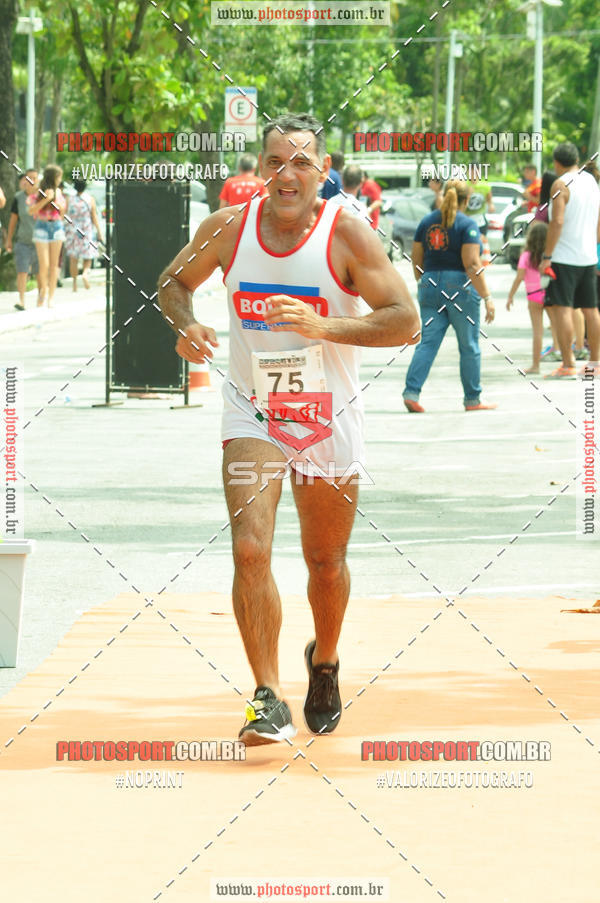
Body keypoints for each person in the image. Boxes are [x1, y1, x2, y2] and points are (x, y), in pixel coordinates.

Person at [158, 112, 420, 746]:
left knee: (324, 562)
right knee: (251, 546)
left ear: (322, 172)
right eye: (275, 161)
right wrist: (186, 327)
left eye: (301, 162)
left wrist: (325, 326)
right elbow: (172, 282)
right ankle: (268, 696)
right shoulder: (227, 229)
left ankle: (324, 661)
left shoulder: (349, 235)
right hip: (254, 410)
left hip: (328, 415)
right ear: (260, 169)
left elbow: (405, 321)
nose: (287, 174)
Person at [402, 179, 496, 413]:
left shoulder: (426, 221)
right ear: (466, 200)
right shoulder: (468, 225)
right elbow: (472, 264)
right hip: (459, 287)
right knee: (469, 345)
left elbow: (416, 258)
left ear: (444, 194)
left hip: (430, 284)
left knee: (428, 343)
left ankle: (411, 393)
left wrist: (423, 281)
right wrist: (487, 297)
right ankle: (472, 399)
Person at [542, 142, 600, 378]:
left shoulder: (561, 183)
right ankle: (595, 363)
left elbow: (556, 222)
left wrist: (547, 256)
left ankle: (568, 364)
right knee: (591, 310)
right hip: (588, 256)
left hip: (564, 256)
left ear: (557, 163)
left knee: (562, 309)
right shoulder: (591, 181)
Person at [507, 221, 550, 374]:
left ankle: (536, 366)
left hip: (533, 295)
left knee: (538, 332)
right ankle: (564, 357)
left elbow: (519, 278)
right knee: (557, 329)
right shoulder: (549, 255)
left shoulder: (526, 256)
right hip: (550, 293)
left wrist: (510, 296)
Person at [27, 164, 66, 307]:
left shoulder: (58, 192)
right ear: (54, 177)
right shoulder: (38, 191)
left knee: (54, 265)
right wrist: (46, 199)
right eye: (59, 177)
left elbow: (62, 212)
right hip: (41, 226)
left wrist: (55, 200)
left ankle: (51, 297)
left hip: (56, 226)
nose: (59, 180)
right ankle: (43, 291)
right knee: (44, 264)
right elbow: (31, 211)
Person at [6, 170, 41, 310]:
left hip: (41, 241)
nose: (32, 180)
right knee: (22, 271)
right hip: (23, 240)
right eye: (29, 178)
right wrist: (9, 239)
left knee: (40, 272)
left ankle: (41, 299)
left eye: (34, 178)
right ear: (24, 180)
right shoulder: (18, 198)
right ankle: (22, 301)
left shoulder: (42, 197)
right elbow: (13, 220)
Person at [64, 179, 103, 291]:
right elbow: (94, 216)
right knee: (88, 257)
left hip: (73, 231)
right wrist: (99, 232)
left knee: (73, 258)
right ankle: (85, 274)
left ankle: (75, 284)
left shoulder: (69, 199)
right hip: (86, 231)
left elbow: (65, 214)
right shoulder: (90, 199)